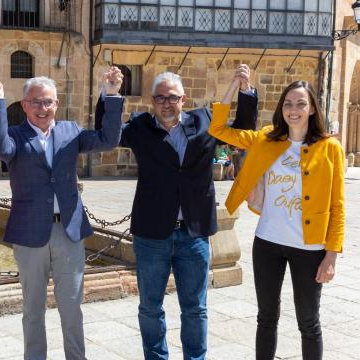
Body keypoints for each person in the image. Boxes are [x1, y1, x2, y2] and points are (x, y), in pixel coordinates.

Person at [95, 67, 258, 360]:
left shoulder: (206, 120)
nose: (166, 104)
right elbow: (107, 136)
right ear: (152, 102)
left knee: (195, 308)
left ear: (183, 98)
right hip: (152, 234)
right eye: (159, 98)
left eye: (172, 97)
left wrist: (245, 90)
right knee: (150, 306)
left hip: (193, 233)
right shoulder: (140, 126)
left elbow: (242, 132)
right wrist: (110, 94)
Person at [0, 68, 124, 360]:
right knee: (32, 309)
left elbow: (108, 140)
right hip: (29, 234)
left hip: (69, 232)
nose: (42, 108)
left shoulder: (70, 131)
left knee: (72, 308)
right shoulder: (13, 136)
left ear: (57, 104)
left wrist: (110, 95)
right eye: (35, 102)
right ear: (24, 105)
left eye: (48, 102)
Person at [210, 65, 344, 360]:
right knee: (266, 318)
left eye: (300, 103)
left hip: (310, 248)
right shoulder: (266, 139)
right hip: (268, 242)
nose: (293, 109)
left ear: (311, 109)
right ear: (281, 108)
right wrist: (235, 86)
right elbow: (217, 129)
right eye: (288, 103)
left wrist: (331, 255)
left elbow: (338, 206)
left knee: (309, 322)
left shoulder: (329, 148)